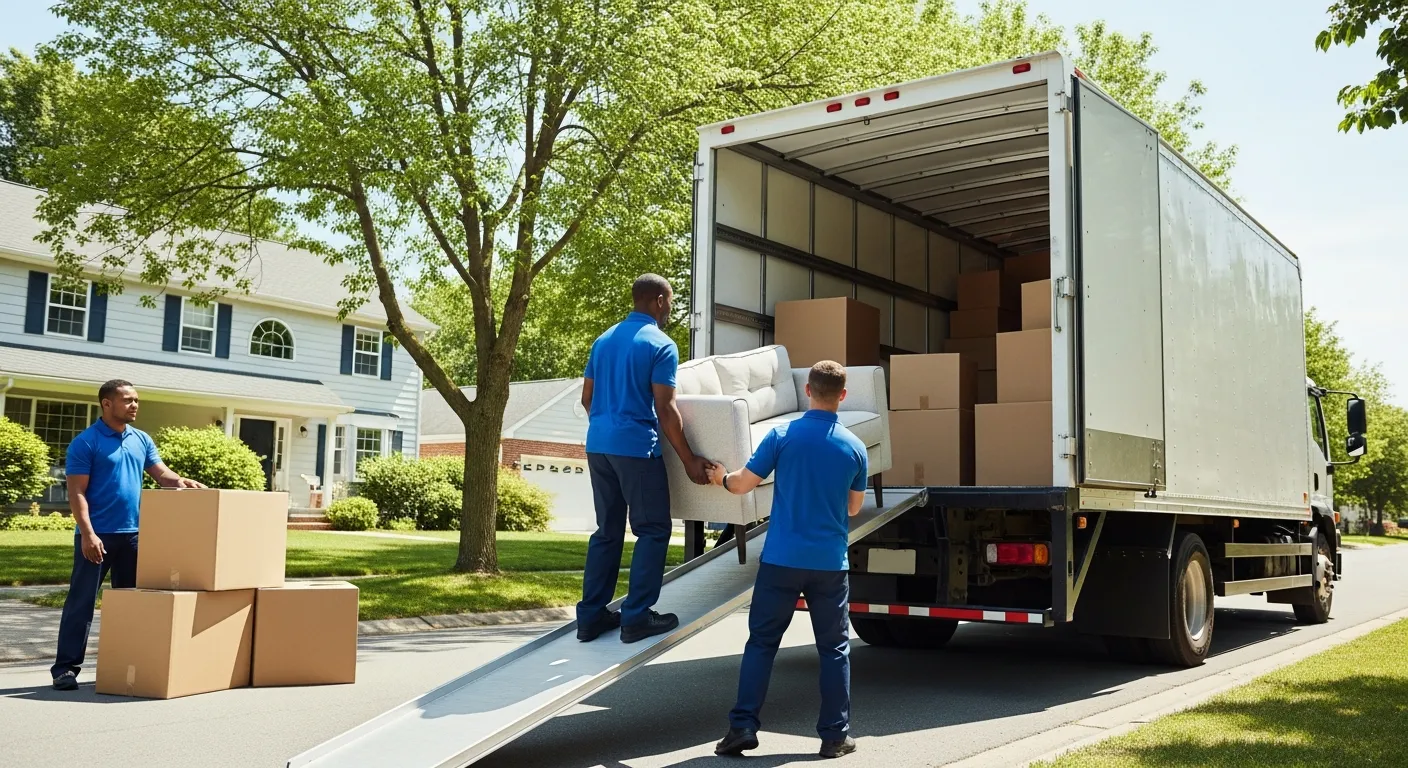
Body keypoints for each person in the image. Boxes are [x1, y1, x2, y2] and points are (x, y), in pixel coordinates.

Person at [708, 361, 867, 759]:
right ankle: (834, 737)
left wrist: (721, 477)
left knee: (762, 643)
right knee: (834, 648)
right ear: (842, 396)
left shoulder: (781, 435)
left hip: (781, 559)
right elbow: (852, 509)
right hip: (830, 564)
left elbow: (744, 483)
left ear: (808, 390)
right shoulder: (855, 447)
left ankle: (743, 727)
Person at [576, 274, 712, 644]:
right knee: (652, 529)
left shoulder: (602, 341)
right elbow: (666, 409)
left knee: (607, 531)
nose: (670, 308)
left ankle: (590, 618)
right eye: (669, 301)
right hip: (636, 449)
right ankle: (635, 617)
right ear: (657, 301)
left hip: (599, 446)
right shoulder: (661, 345)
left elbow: (588, 398)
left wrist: (608, 427)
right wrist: (688, 460)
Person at [51, 380, 205, 691]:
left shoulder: (141, 439)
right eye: (127, 400)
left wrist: (182, 481)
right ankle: (65, 669)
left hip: (134, 536)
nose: (134, 405)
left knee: (133, 605)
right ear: (107, 404)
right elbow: (76, 493)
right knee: (81, 602)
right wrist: (88, 534)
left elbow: (161, 474)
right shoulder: (86, 442)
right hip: (98, 537)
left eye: (136, 400)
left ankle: (124, 663)